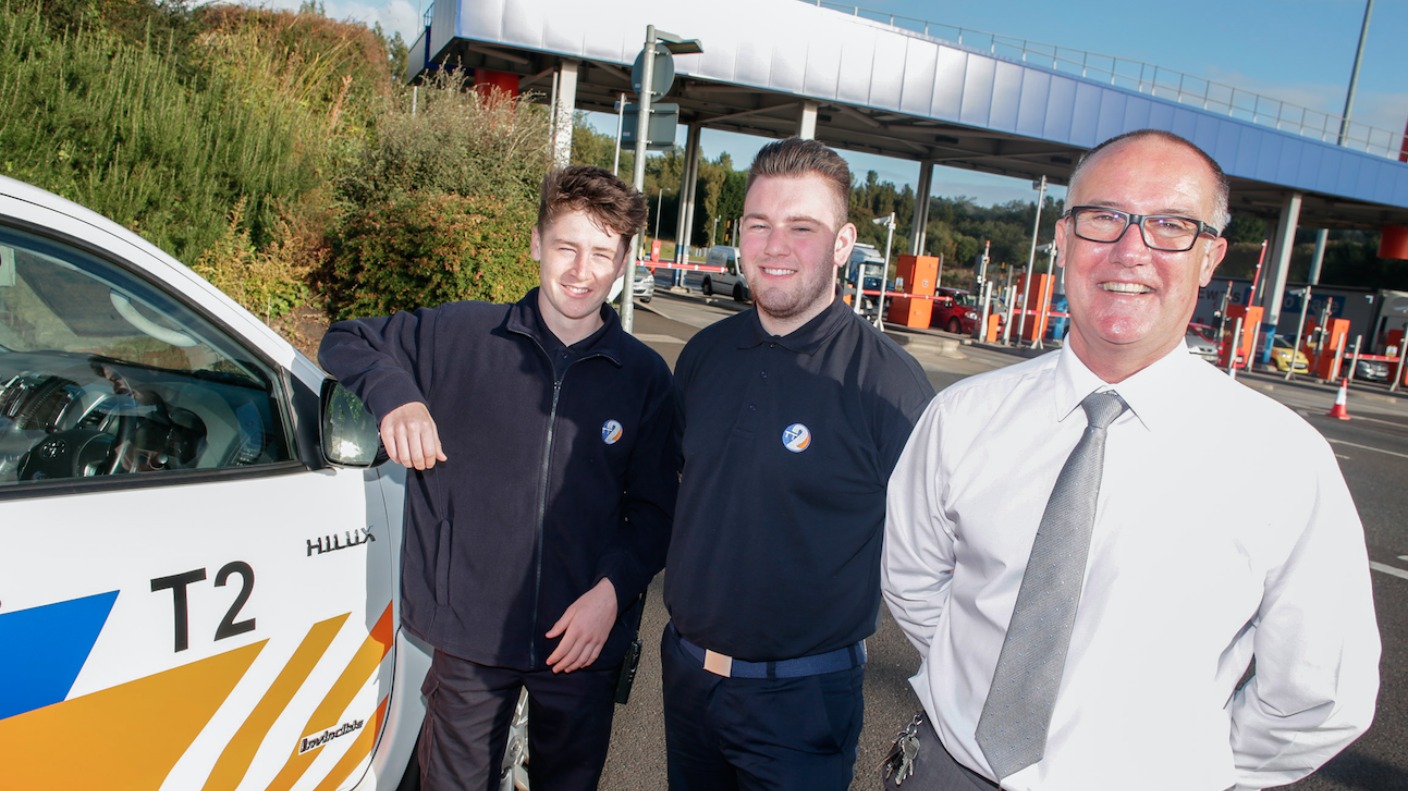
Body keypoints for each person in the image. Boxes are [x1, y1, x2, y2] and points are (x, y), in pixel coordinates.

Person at [882, 129, 1380, 790]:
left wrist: (1182, 761)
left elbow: (1321, 688)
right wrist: (978, 677)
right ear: (1061, 240)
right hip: (951, 772)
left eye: (1171, 224)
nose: (1130, 249)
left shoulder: (1285, 462)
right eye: (1104, 217)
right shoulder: (964, 417)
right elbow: (915, 580)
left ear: (1211, 257)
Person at [318, 165, 677, 791]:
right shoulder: (461, 335)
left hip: (580, 639)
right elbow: (346, 339)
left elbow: (654, 510)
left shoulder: (645, 377)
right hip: (468, 633)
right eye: (565, 246)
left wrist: (612, 593)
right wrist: (396, 394)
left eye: (600, 253)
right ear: (536, 243)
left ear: (622, 263)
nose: (579, 270)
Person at [662, 137, 936, 789]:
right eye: (759, 225)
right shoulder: (703, 354)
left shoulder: (887, 385)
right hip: (686, 683)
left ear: (843, 244)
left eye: (802, 228)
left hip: (802, 709)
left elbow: (946, 547)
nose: (775, 245)